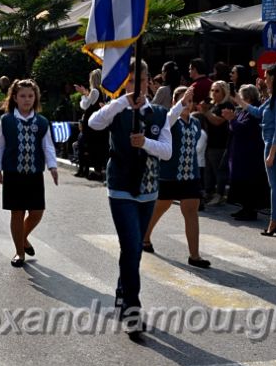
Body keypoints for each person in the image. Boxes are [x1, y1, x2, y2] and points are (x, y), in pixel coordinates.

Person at [88, 59, 172, 337]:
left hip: (148, 189)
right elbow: (94, 122)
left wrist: (146, 143)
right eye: (132, 82)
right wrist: (122, 102)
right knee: (132, 245)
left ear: (150, 82)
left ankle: (123, 291)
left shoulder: (160, 113)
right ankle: (133, 309)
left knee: (132, 249)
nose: (138, 87)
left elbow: (167, 151)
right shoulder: (117, 110)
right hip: (121, 187)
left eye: (142, 81)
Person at [0, 79, 58, 267]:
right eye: (22, 96)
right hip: (13, 174)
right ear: (15, 97)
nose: (27, 99)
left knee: (37, 212)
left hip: (35, 174)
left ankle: (23, 237)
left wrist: (52, 166)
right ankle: (19, 253)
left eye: (30, 96)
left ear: (35, 97)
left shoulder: (42, 122)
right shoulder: (6, 120)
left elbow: (48, 146)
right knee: (17, 213)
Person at [143, 86, 209, 268]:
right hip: (169, 175)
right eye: (183, 101)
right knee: (160, 208)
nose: (187, 104)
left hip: (191, 175)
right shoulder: (169, 121)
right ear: (175, 103)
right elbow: (169, 122)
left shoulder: (196, 123)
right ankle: (145, 237)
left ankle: (194, 256)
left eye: (189, 101)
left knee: (191, 211)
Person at [235, 63, 276, 236]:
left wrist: (272, 152)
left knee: (275, 186)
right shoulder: (275, 98)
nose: (264, 79)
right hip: (272, 142)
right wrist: (237, 100)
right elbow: (258, 112)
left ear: (273, 78)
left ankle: (275, 220)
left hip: (274, 144)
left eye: (267, 76)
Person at [222, 84, 267, 221]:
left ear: (247, 98)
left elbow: (244, 129)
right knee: (241, 183)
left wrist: (232, 119)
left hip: (250, 155)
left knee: (248, 183)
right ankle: (244, 208)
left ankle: (250, 210)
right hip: (240, 153)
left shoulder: (254, 111)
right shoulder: (243, 110)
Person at [199, 80, 233, 206]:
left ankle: (219, 195)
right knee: (209, 170)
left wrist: (205, 112)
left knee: (219, 170)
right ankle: (209, 192)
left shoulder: (227, 105)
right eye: (212, 90)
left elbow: (218, 121)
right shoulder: (214, 105)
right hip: (210, 142)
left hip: (220, 143)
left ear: (224, 92)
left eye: (217, 90)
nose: (214, 93)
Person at [75, 68, 108, 180]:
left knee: (89, 146)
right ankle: (91, 170)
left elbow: (85, 105)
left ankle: (92, 171)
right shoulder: (102, 91)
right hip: (99, 123)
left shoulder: (95, 91)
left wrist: (83, 94)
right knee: (96, 146)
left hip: (91, 124)